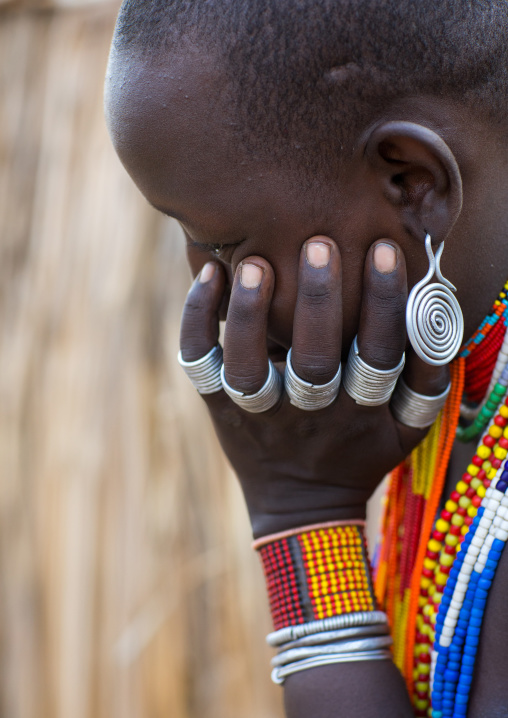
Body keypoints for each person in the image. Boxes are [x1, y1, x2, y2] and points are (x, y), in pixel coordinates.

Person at [104, 1, 508, 715]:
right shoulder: (472, 385)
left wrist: (302, 510)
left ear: (414, 184)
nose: (211, 288)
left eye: (218, 241)